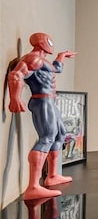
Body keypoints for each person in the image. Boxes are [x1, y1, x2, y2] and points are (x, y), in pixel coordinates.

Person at [8, 32, 77, 200]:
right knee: (46, 137)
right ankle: (33, 186)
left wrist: (61, 56)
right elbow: (16, 75)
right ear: (41, 42)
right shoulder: (33, 59)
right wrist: (15, 98)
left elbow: (56, 69)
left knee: (60, 134)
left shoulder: (42, 60)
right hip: (42, 101)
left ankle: (52, 175)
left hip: (50, 101)